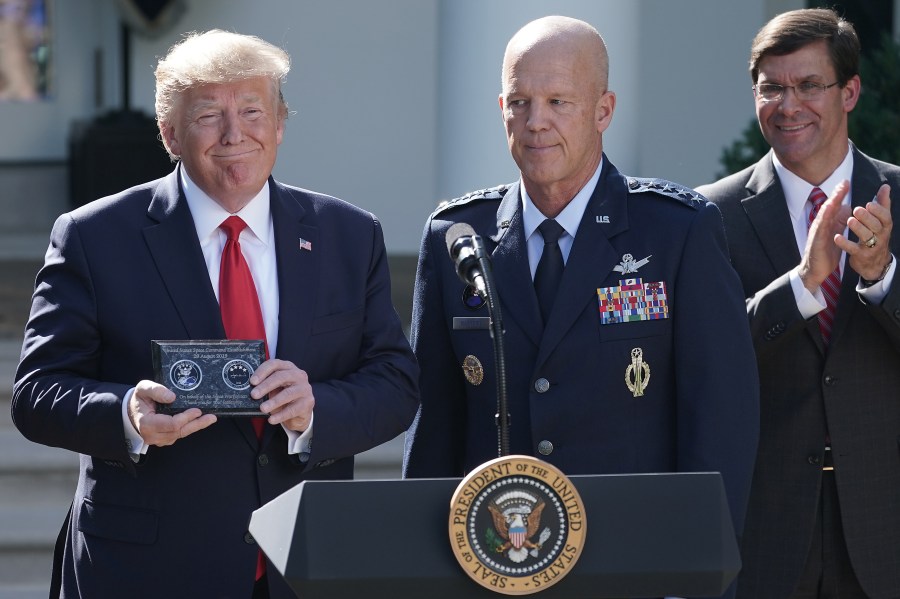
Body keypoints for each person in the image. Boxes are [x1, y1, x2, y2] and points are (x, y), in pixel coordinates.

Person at [12, 30, 419, 599]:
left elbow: (395, 383)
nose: (235, 133)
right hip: (145, 571)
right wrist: (126, 414)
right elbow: (37, 393)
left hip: (303, 565)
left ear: (279, 124)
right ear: (170, 133)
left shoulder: (348, 236)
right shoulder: (93, 238)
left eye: (252, 110)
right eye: (208, 115)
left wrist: (316, 409)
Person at [402, 15, 759, 594]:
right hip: (494, 569)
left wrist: (699, 575)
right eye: (519, 101)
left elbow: (721, 421)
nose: (535, 122)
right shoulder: (456, 239)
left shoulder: (675, 233)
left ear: (603, 110)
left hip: (634, 569)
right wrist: (424, 577)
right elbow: (434, 430)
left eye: (558, 101)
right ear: (500, 109)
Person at [696, 8, 900, 599]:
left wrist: (881, 275)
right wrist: (802, 286)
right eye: (772, 88)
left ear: (851, 91)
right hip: (767, 525)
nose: (789, 105)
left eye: (810, 85)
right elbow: (711, 361)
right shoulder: (711, 215)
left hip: (885, 524)